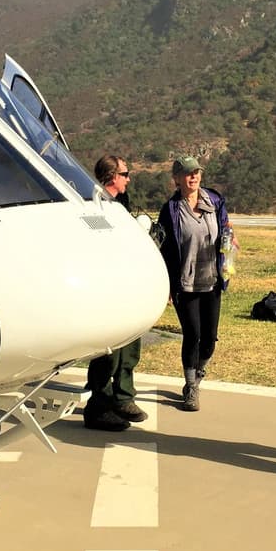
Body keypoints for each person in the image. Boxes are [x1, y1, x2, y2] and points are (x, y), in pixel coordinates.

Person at [157, 155, 231, 412]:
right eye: (188, 173)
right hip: (185, 283)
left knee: (209, 339)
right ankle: (191, 387)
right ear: (176, 179)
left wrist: (230, 241)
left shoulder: (215, 200)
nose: (194, 177)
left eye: (197, 172)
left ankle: (198, 374)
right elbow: (164, 248)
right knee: (193, 335)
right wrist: (166, 284)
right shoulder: (171, 210)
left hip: (211, 279)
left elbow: (225, 227)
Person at [83, 155, 146, 432]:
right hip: (107, 287)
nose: (128, 178)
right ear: (111, 176)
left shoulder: (121, 203)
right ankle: (99, 406)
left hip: (126, 283)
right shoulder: (93, 205)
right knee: (107, 350)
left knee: (129, 344)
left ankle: (122, 397)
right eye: (125, 173)